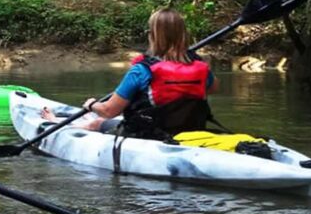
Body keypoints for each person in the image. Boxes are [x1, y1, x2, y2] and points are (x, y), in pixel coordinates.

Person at [43, 8, 216, 138]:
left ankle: (53, 122)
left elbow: (109, 111)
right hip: (189, 133)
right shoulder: (201, 68)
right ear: (183, 34)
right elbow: (211, 89)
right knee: (104, 120)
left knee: (97, 122)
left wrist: (91, 105)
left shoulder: (142, 70)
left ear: (153, 35)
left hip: (147, 136)